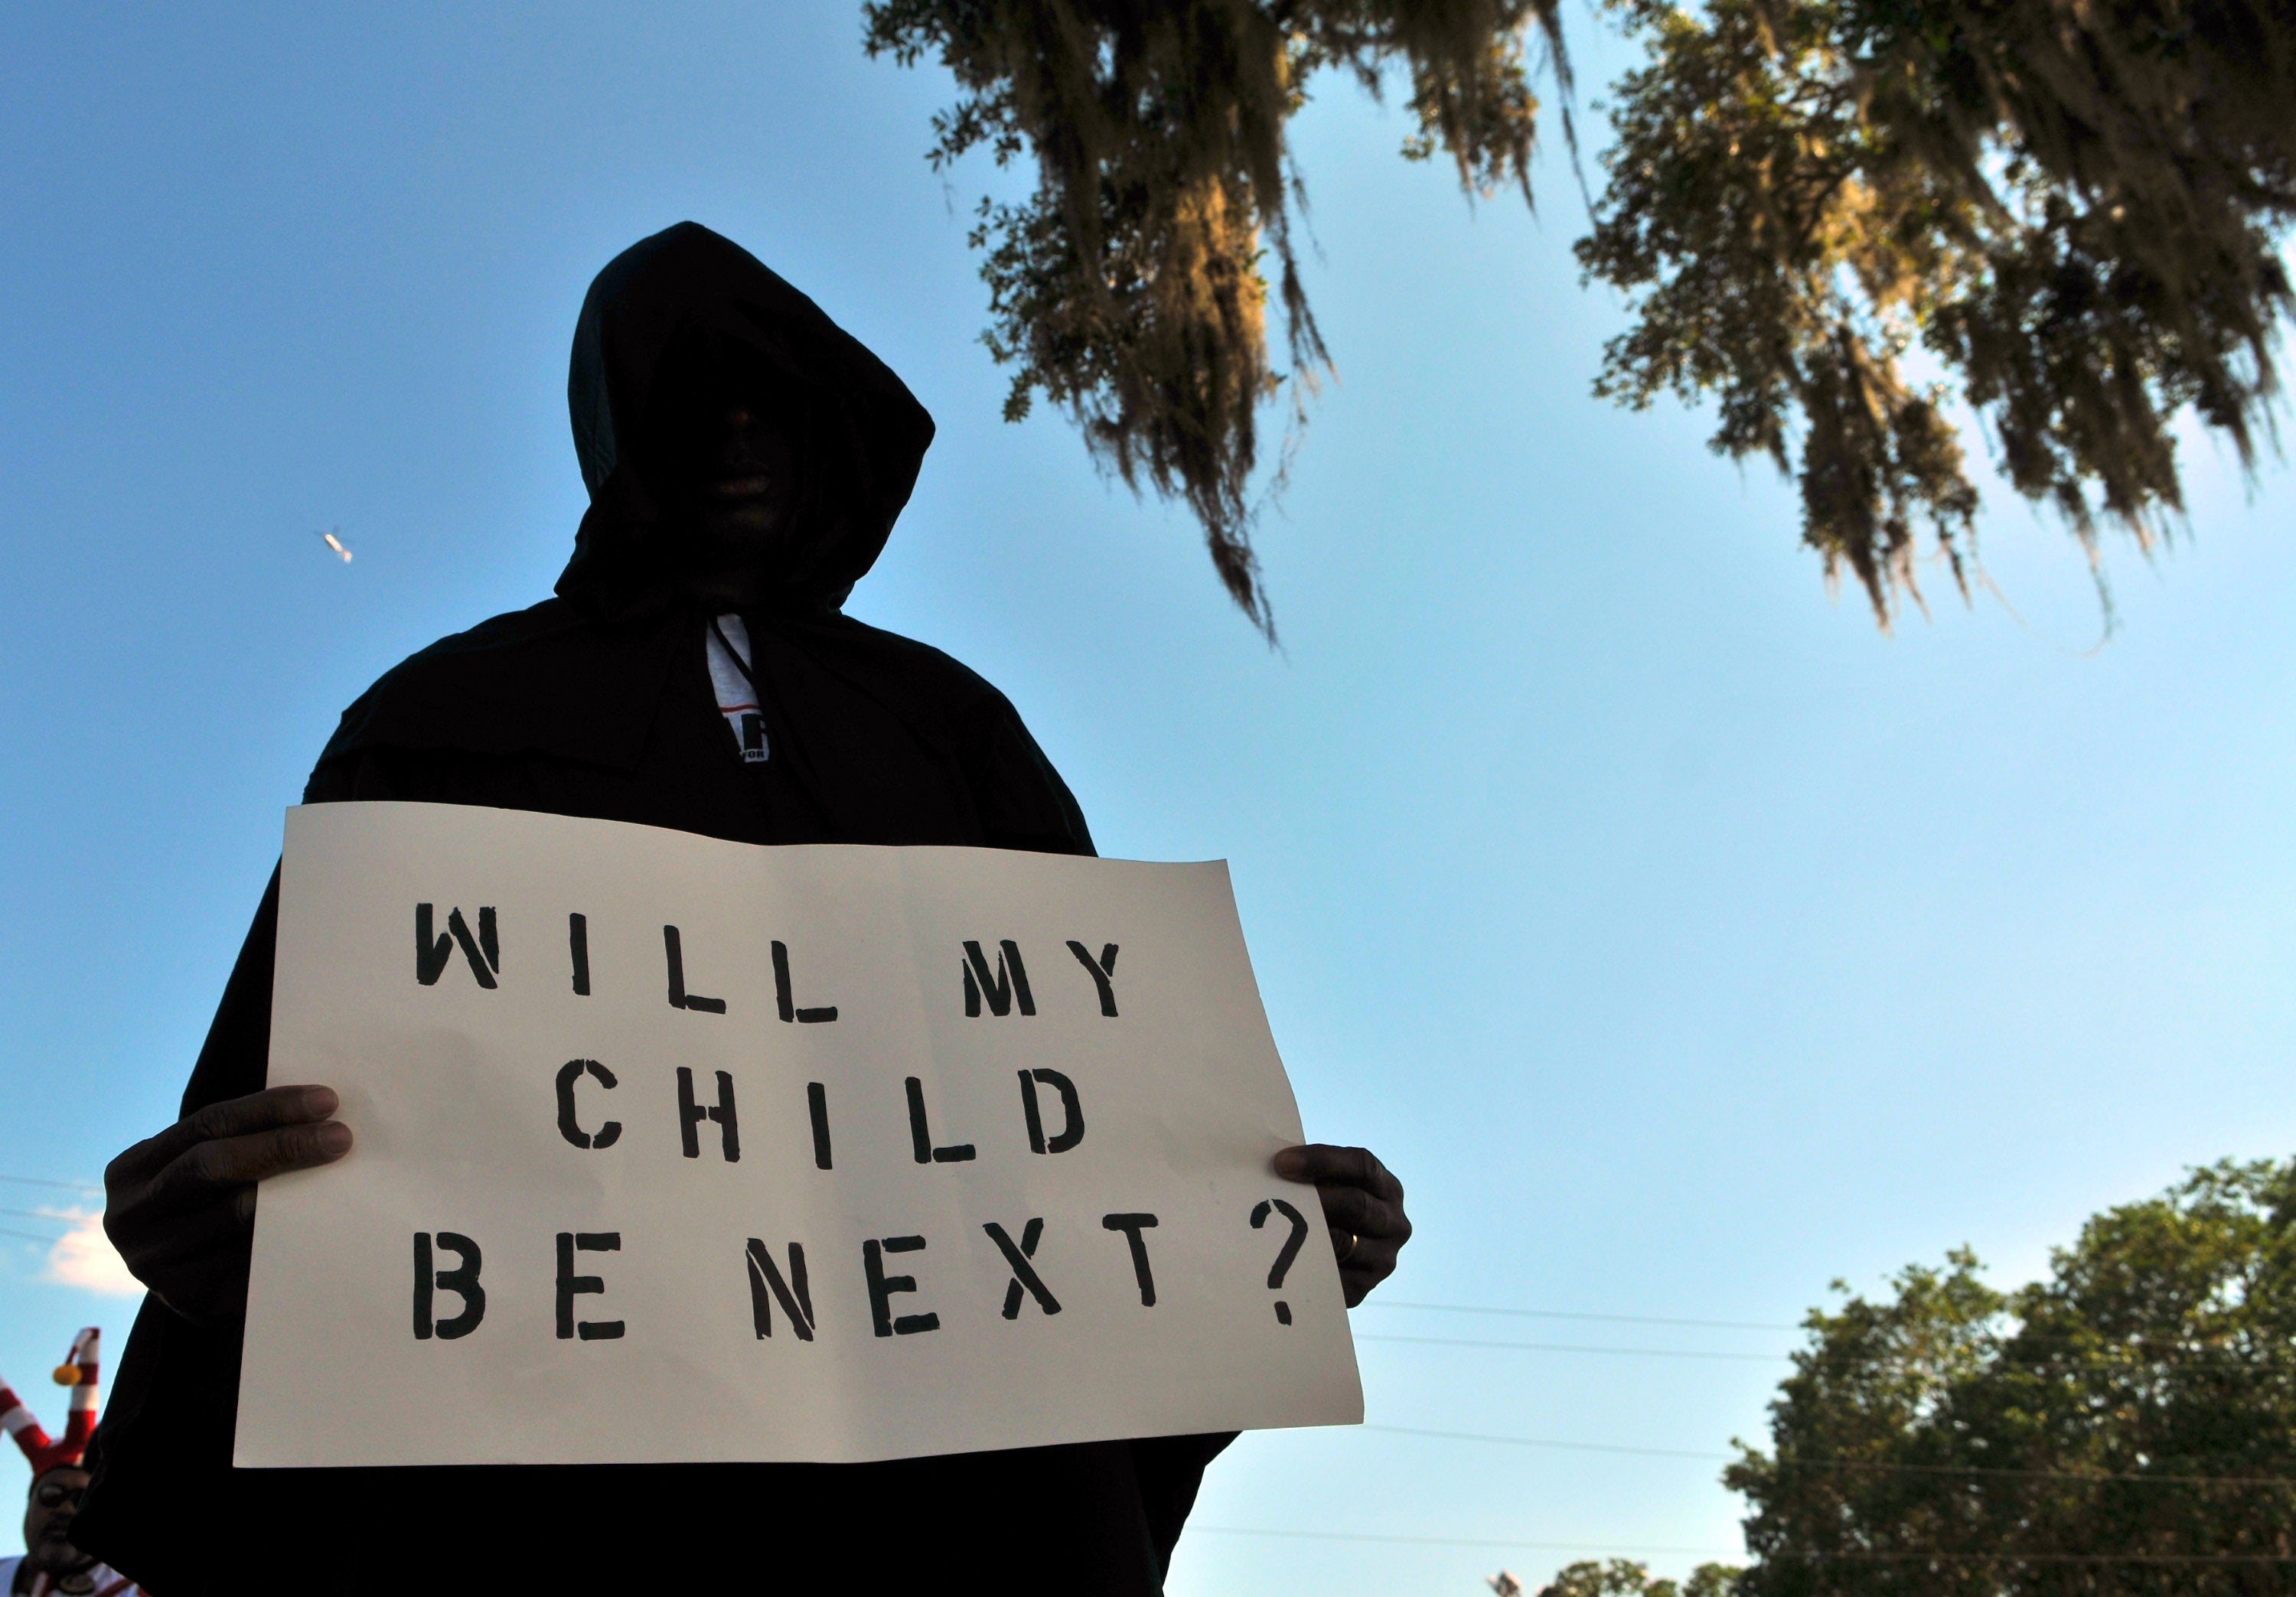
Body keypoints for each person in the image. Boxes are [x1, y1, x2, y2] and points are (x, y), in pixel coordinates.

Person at [77, 222, 1413, 1595]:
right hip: (554, 1510)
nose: (734, 432)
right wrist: (211, 1265)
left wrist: (1252, 1254)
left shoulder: (953, 728)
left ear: (830, 423)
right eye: (687, 393)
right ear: (619, 431)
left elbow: (1086, 1109)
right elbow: (287, 1138)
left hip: (961, 1509)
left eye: (769, 392)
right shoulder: (440, 716)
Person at [1, 1333, 145, 1597]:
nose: (65, 1508)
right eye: (51, 1495)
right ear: (28, 1503)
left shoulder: (136, 1589)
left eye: (81, 1498)